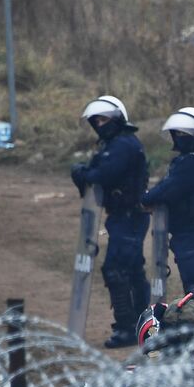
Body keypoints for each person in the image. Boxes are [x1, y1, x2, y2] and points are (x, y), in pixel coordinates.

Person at [71, 95, 149, 348]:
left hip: (129, 216)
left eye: (104, 119)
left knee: (117, 270)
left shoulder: (122, 145)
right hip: (123, 217)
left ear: (116, 119)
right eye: (96, 121)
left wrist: (83, 172)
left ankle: (128, 328)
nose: (100, 124)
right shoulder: (114, 143)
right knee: (132, 270)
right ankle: (141, 326)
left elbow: (103, 174)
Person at [141, 107, 194, 321]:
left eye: (186, 133)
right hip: (187, 231)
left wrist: (147, 198)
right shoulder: (191, 160)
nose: (180, 138)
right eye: (178, 133)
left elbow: (168, 189)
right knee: (192, 287)